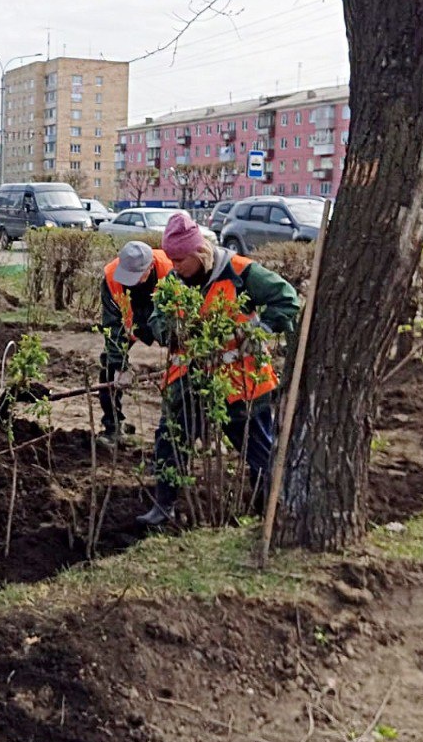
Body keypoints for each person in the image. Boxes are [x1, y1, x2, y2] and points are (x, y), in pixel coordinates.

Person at [137, 212, 301, 527]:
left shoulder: (241, 273)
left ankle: (266, 509)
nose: (174, 265)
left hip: (240, 382)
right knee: (170, 439)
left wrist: (256, 329)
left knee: (256, 447)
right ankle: (164, 507)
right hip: (190, 381)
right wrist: (170, 331)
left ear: (199, 252)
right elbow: (157, 317)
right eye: (170, 258)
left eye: (181, 258)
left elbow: (287, 300)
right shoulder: (173, 281)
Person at [97, 240, 174, 447]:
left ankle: (189, 432)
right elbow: (112, 325)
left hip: (168, 325)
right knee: (109, 366)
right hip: (131, 325)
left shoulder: (171, 270)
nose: (129, 282)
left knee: (184, 370)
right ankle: (113, 427)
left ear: (150, 267)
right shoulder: (111, 277)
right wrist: (120, 366)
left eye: (136, 277)